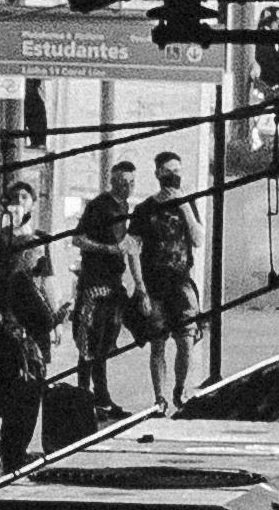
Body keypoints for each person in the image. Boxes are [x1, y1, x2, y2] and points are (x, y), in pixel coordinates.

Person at [0, 215, 54, 476]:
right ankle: (13, 456)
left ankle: (6, 451)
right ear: (26, 255)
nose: (40, 259)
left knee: (6, 404)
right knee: (22, 409)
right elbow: (43, 320)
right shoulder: (22, 282)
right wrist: (56, 318)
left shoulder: (4, 279)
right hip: (22, 356)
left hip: (7, 350)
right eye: (36, 254)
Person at [73, 164, 140, 414]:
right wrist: (107, 249)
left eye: (132, 182)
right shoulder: (99, 205)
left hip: (113, 284)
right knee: (89, 343)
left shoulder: (124, 208)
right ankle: (83, 397)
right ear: (113, 182)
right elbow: (77, 239)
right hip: (94, 285)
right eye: (122, 182)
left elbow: (124, 244)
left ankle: (101, 397)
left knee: (104, 344)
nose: (127, 187)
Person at [139, 155, 203, 407]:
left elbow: (198, 238)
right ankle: (159, 398)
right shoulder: (145, 209)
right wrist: (141, 287)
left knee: (187, 340)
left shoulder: (187, 204)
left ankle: (179, 389)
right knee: (158, 343)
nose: (173, 176)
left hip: (181, 282)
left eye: (177, 171)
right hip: (155, 283)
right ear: (157, 174)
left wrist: (184, 205)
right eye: (168, 172)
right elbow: (133, 246)